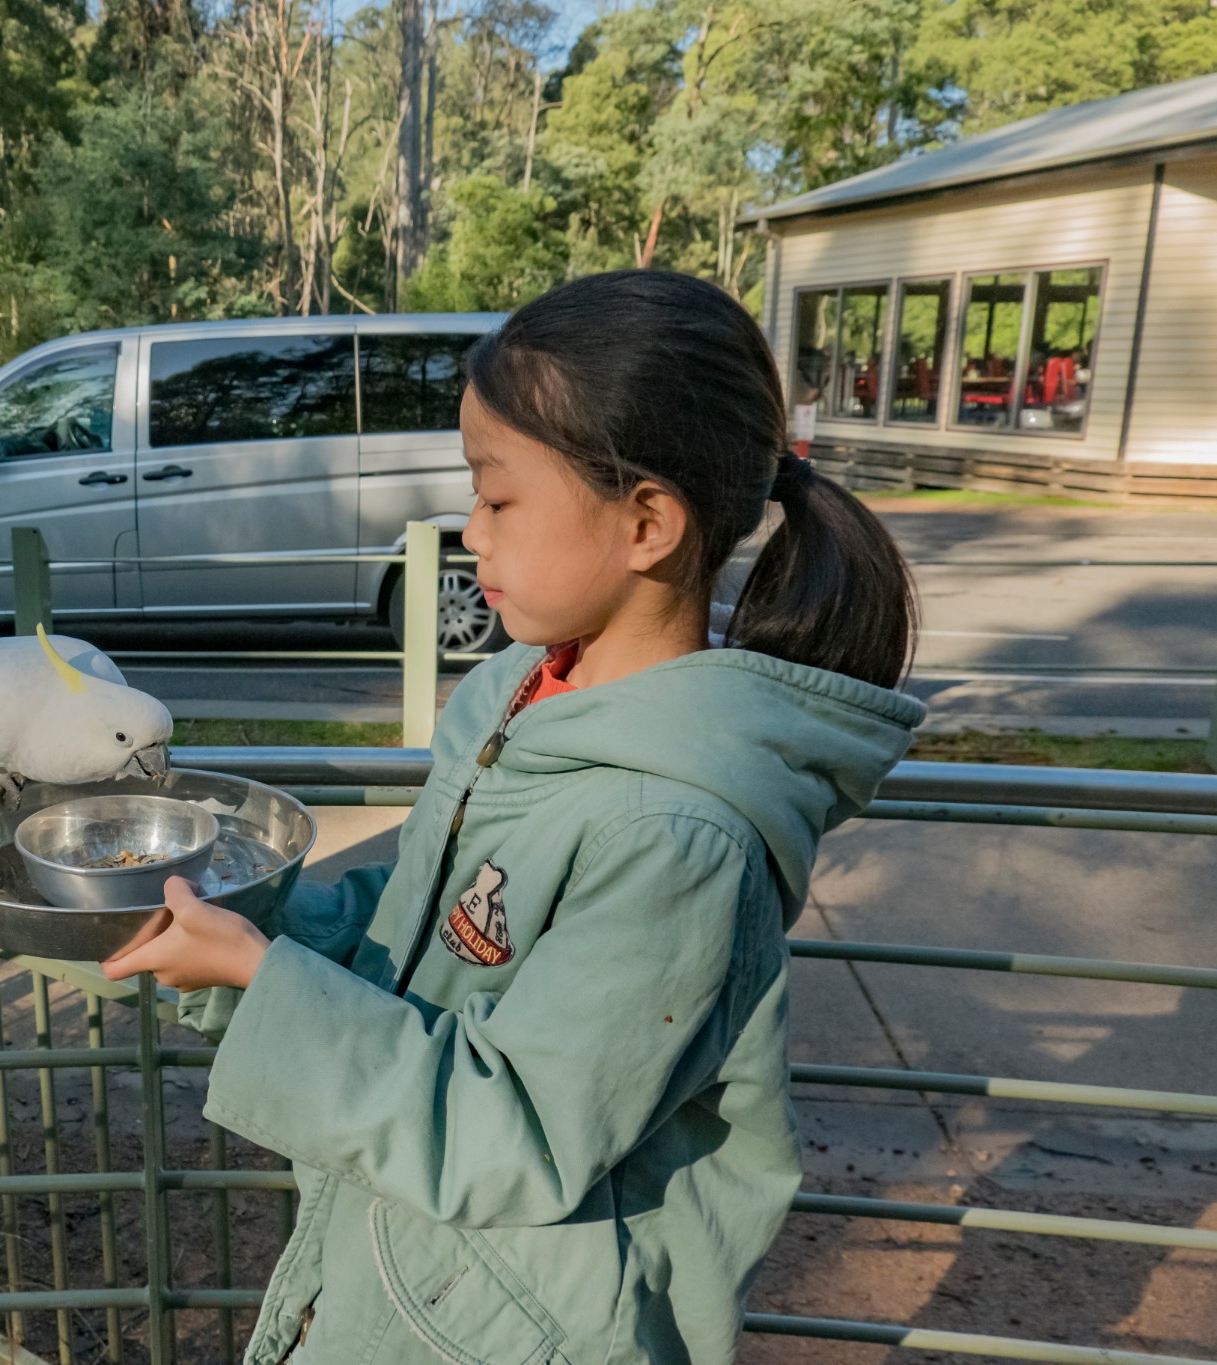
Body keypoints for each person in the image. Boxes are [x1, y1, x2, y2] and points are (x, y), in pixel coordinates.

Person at [102, 270, 925, 1365]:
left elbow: (518, 1133)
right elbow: (416, 944)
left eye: (495, 496)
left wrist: (266, 981)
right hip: (408, 1275)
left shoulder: (675, 835)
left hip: (522, 1326)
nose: (467, 528)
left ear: (644, 522)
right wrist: (250, 925)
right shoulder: (517, 692)